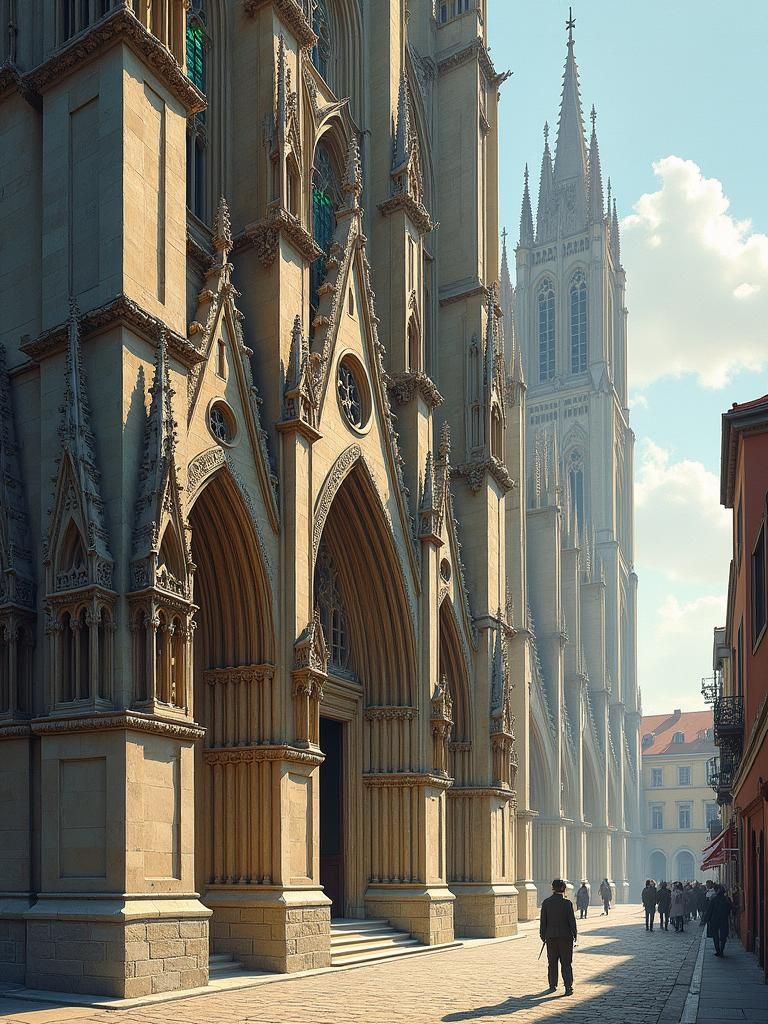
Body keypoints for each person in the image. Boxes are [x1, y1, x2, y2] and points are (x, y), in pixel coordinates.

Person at [539, 879, 578, 996]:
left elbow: (543, 922)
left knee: (552, 962)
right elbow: (572, 921)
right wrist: (575, 934)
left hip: (551, 937)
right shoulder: (567, 903)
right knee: (566, 963)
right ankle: (568, 987)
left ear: (552, 888)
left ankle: (552, 985)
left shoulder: (546, 903)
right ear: (563, 889)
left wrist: (543, 936)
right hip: (566, 937)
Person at [701, 885, 733, 956]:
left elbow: (710, 910)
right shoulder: (727, 899)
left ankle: (718, 950)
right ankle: (721, 950)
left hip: (714, 920)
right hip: (724, 919)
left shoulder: (714, 899)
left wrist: (706, 919)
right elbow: (730, 909)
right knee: (723, 936)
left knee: (715, 936)